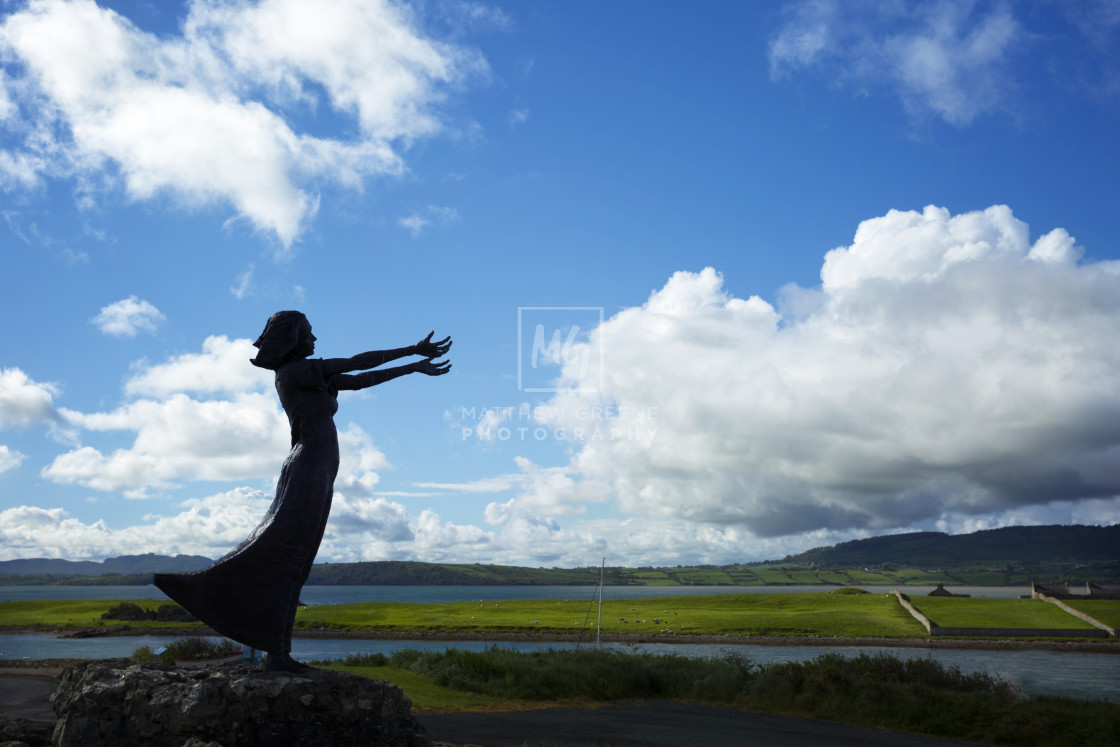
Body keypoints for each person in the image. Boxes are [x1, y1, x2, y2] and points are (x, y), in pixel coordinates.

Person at [155, 311, 450, 672]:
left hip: (319, 467)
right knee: (287, 557)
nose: (315, 339)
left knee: (296, 561)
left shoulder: (314, 376)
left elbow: (360, 379)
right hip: (309, 466)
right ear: (294, 338)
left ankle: (278, 652)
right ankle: (271, 650)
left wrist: (413, 368)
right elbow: (357, 362)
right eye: (309, 334)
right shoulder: (294, 372)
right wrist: (412, 349)